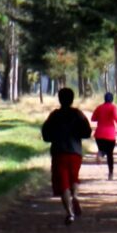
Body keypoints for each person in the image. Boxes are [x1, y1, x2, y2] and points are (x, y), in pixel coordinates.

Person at [42, 88, 92, 225]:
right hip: (75, 152)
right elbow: (87, 132)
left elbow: (46, 134)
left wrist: (54, 137)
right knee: (74, 177)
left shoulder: (55, 115)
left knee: (63, 183)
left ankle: (70, 213)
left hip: (59, 152)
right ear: (72, 99)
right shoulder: (78, 114)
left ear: (59, 99)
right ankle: (75, 196)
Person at [91, 92, 117, 180]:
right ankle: (110, 174)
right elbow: (116, 117)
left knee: (102, 149)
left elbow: (93, 118)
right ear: (112, 99)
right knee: (110, 154)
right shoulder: (113, 107)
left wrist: (100, 117)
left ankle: (100, 154)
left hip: (99, 134)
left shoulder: (99, 107)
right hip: (110, 134)